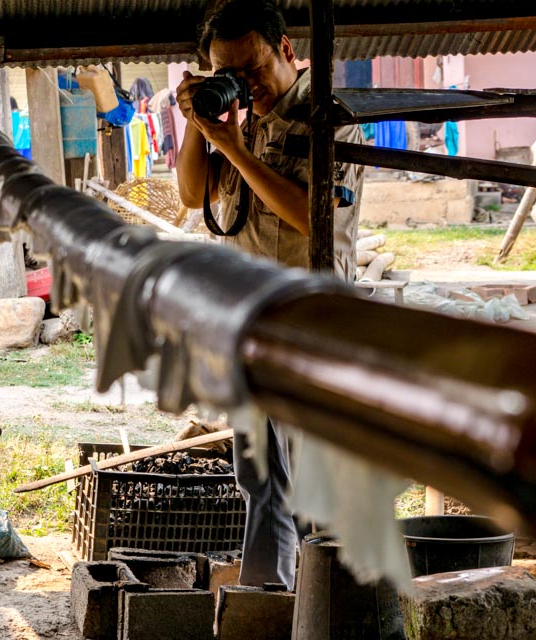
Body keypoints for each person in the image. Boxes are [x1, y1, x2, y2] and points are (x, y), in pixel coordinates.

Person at [175, 0, 364, 589]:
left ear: (286, 51)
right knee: (260, 478)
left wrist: (233, 147)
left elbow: (313, 218)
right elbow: (189, 194)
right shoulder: (240, 118)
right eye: (227, 71)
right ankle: (267, 599)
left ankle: (330, 609)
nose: (244, 83)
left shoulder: (329, 118)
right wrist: (199, 124)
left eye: (252, 67)